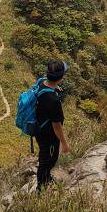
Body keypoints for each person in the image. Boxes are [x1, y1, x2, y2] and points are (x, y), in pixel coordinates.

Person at [35, 60, 70, 190]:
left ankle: (46, 178)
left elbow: (45, 84)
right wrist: (64, 144)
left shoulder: (41, 82)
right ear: (61, 78)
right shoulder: (54, 101)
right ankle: (41, 188)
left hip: (39, 128)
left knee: (45, 156)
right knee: (48, 160)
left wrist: (55, 87)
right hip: (48, 135)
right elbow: (57, 126)